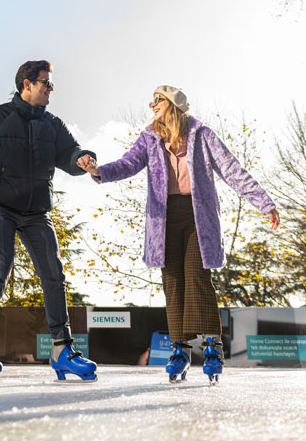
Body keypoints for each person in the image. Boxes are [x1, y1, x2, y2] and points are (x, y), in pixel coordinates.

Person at [77, 85, 279, 385]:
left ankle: (212, 345)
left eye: (156, 100)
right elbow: (128, 164)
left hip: (198, 216)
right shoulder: (149, 138)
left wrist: (264, 202)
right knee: (172, 281)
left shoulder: (202, 135)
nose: (151, 105)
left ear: (172, 104)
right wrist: (98, 171)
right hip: (164, 219)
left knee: (197, 274)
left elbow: (232, 170)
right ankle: (180, 350)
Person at [0, 60, 98, 382]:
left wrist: (82, 159)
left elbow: (69, 153)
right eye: (46, 83)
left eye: (51, 84)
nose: (51, 89)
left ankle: (62, 349)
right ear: (27, 84)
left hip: (36, 212)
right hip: (0, 206)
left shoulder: (52, 124)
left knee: (53, 273)